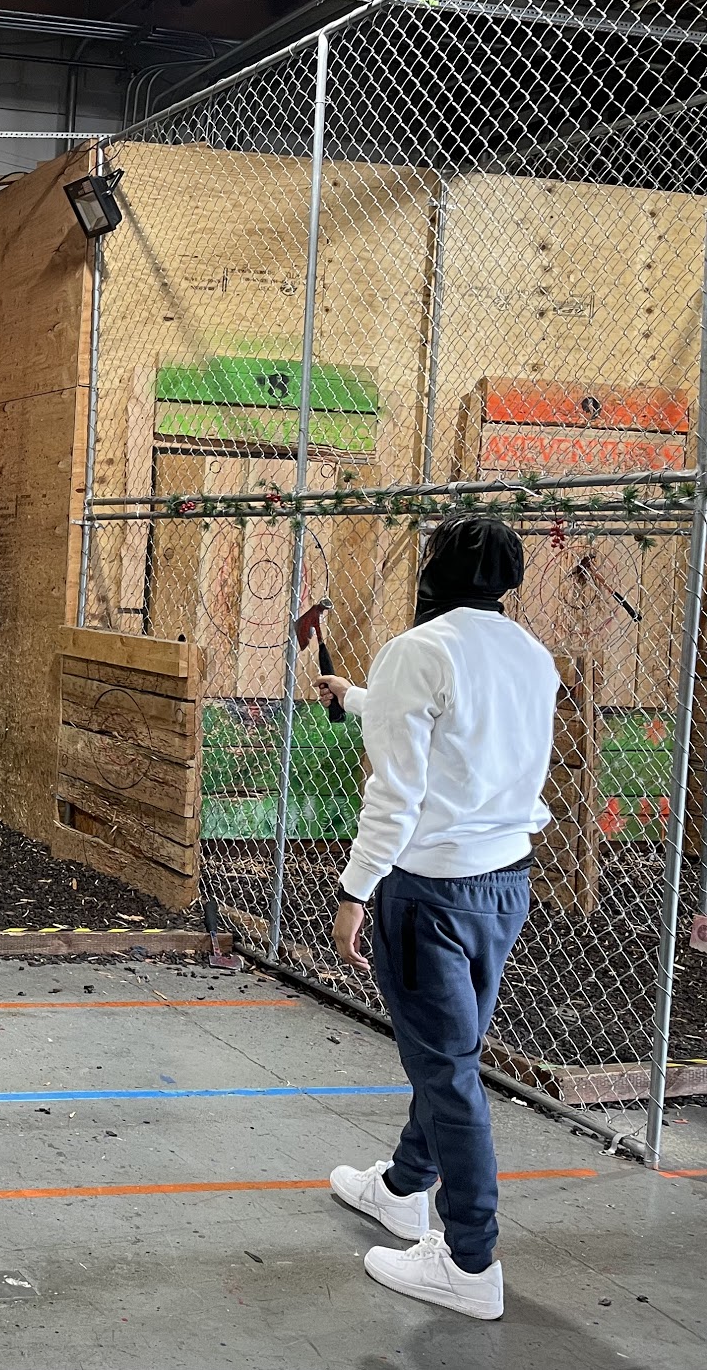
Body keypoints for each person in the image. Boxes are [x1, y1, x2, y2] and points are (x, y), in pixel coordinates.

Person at [317, 515, 559, 1321]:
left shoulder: (418, 650)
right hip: (505, 885)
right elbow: (463, 736)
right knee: (448, 1056)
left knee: (448, 1074)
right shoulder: (532, 656)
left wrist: (355, 891)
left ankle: (469, 1262)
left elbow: (397, 794)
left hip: (430, 896)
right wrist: (357, 699)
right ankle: (401, 1188)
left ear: (433, 570)